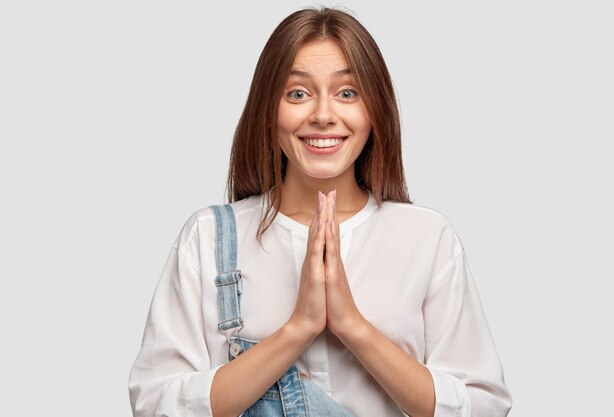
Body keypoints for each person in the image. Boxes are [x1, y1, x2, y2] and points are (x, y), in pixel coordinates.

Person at [128, 6, 512, 417]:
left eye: (347, 93)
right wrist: (299, 328)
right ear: (268, 109)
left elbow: (483, 406)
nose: (324, 115)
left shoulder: (427, 238)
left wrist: (352, 326)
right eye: (298, 93)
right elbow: (155, 406)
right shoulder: (207, 238)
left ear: (374, 110)